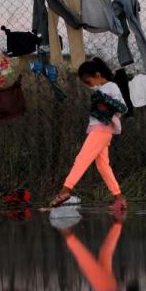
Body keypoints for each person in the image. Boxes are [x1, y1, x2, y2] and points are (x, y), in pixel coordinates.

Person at [50, 58, 128, 210]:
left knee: (82, 159)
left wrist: (107, 105)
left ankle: (65, 190)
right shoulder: (100, 89)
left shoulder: (111, 87)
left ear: (98, 75)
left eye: (88, 80)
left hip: (102, 129)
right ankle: (119, 198)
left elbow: (122, 108)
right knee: (103, 166)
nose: (87, 84)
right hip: (98, 129)